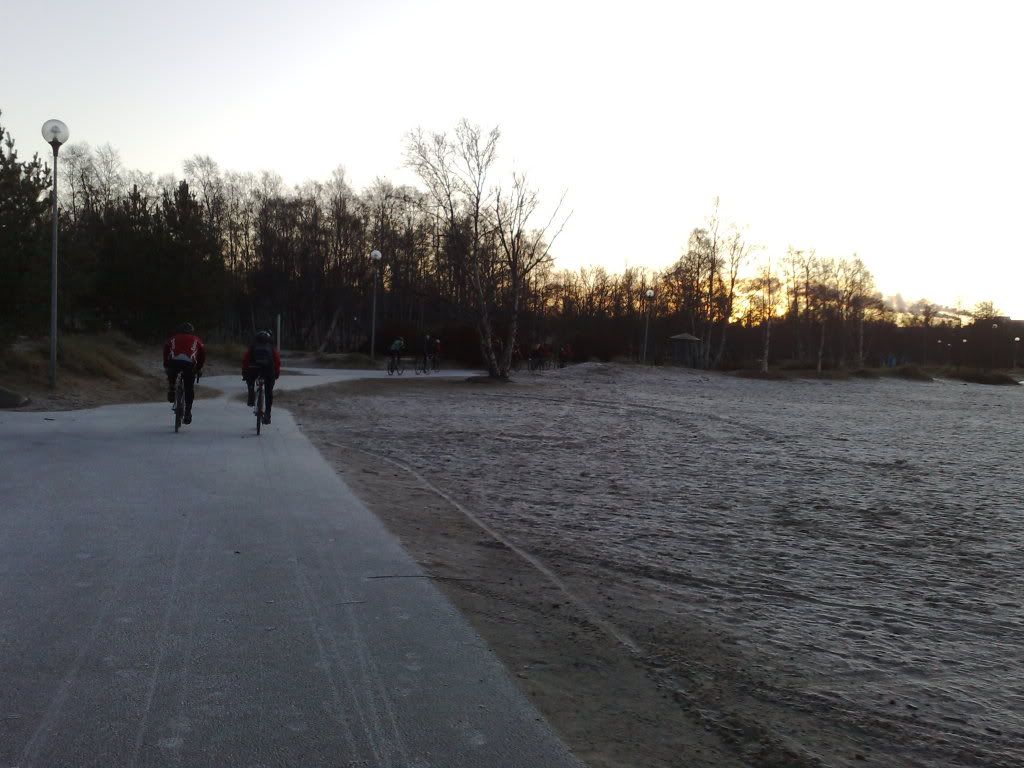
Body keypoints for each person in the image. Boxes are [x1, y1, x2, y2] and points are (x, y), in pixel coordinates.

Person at [163, 322, 206, 425]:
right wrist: (198, 368)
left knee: (172, 373)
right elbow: (202, 354)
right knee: (189, 388)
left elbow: (166, 350)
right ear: (191, 331)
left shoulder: (172, 338)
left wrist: (166, 364)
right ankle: (187, 412)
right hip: (189, 364)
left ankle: (172, 388)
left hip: (173, 362)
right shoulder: (196, 339)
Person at [242, 330, 281, 424]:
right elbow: (277, 360)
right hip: (268, 369)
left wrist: (244, 372)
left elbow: (246, 359)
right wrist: (276, 373)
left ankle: (251, 395)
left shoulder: (253, 345)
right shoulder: (271, 346)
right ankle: (267, 414)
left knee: (250, 380)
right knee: (268, 391)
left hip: (254, 368)